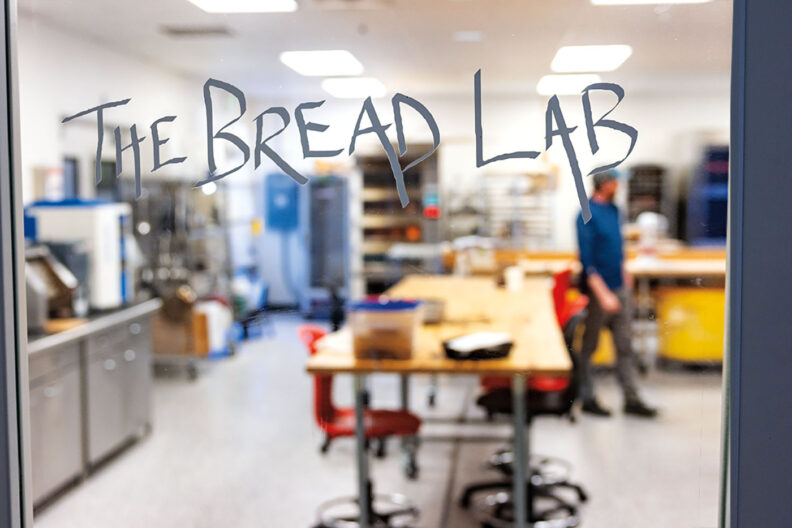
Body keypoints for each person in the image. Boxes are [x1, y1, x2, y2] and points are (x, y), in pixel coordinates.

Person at [576, 171, 658, 418]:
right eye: (614, 182)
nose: (618, 186)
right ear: (603, 184)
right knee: (589, 347)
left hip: (620, 288)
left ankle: (631, 398)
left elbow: (618, 249)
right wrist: (603, 295)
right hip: (598, 291)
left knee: (625, 345)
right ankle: (588, 397)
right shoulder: (585, 214)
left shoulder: (615, 211)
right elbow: (587, 260)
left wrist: (626, 278)